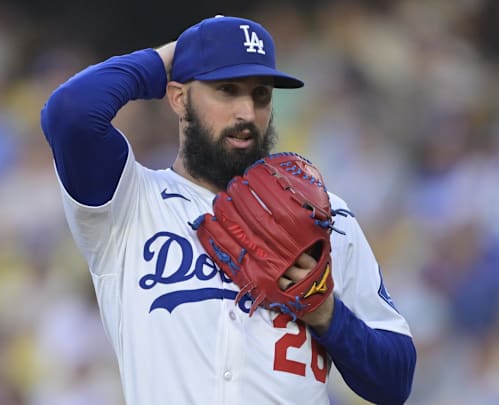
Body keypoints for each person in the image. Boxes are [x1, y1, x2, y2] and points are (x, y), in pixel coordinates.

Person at [40, 15, 416, 405]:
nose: (247, 113)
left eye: (260, 94)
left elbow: (395, 381)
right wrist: (173, 55)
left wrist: (327, 313)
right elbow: (70, 113)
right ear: (178, 97)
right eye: (227, 90)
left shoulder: (326, 217)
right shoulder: (129, 204)